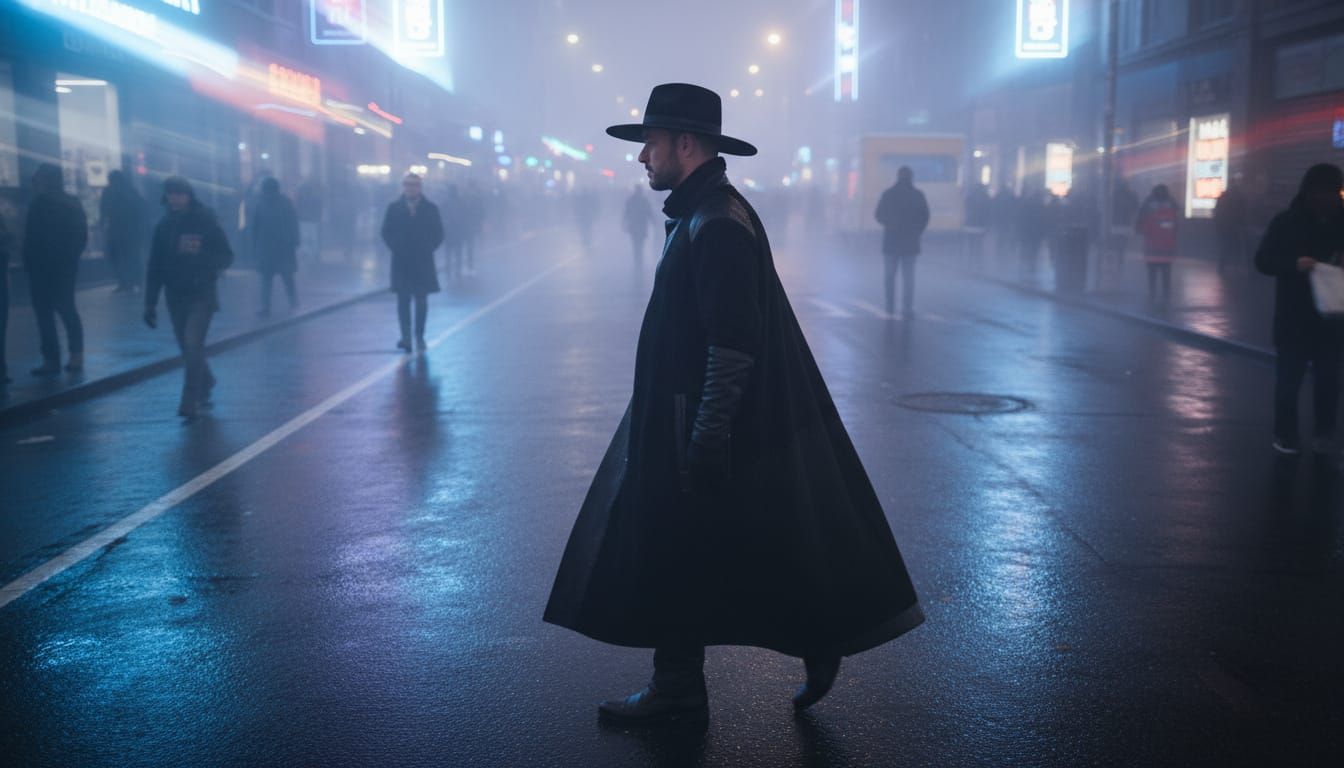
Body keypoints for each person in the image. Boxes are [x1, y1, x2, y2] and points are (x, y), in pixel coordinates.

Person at [544, 83, 923, 726]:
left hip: (696, 420)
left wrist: (707, 433)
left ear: (685, 146)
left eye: (651, 144)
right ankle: (682, 683)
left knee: (729, 543)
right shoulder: (700, 213)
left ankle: (795, 643)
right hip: (683, 416)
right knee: (693, 550)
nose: (642, 158)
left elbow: (734, 342)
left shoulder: (716, 223)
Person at [1254, 163, 1344, 455]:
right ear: (1310, 191)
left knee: (1328, 380)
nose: (1331, 198)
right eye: (1326, 192)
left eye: (1336, 191)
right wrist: (1294, 265)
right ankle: (1286, 433)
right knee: (1289, 380)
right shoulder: (1286, 223)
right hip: (1294, 318)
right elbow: (1263, 260)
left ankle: (1325, 433)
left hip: (1330, 318)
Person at [144, 177, 234, 420]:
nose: (175, 198)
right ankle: (206, 380)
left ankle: (190, 398)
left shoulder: (205, 221)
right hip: (175, 295)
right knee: (186, 347)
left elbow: (225, 255)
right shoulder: (163, 226)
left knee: (193, 344)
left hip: (201, 294)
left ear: (189, 195)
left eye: (180, 193)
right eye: (171, 193)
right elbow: (155, 266)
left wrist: (202, 264)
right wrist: (150, 302)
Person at [23, 163, 87, 376]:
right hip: (63, 268)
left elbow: (31, 239)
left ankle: (52, 360)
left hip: (43, 269)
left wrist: (29, 263)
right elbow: (80, 238)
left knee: (46, 314)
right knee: (66, 309)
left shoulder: (38, 204)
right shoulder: (71, 203)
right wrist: (70, 259)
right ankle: (75, 356)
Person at [380, 173, 443, 352]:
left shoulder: (430, 209)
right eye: (408, 185)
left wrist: (428, 247)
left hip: (422, 261)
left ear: (420, 187)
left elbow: (439, 233)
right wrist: (396, 246)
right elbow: (385, 231)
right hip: (402, 261)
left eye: (414, 185)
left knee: (421, 301)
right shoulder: (394, 208)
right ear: (404, 187)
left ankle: (419, 335)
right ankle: (406, 336)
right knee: (403, 301)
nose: (411, 188)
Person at [874, 166, 930, 317]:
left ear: (897, 177)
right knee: (909, 277)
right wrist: (917, 231)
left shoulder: (888, 194)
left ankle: (890, 306)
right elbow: (925, 217)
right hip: (911, 243)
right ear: (911, 177)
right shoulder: (918, 195)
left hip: (891, 242)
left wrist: (890, 224)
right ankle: (907, 307)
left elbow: (878, 215)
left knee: (889, 277)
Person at [249, 177, 300, 317]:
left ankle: (265, 307)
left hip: (266, 249)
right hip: (284, 248)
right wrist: (295, 242)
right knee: (287, 278)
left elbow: (254, 228)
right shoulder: (286, 203)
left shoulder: (259, 204)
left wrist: (254, 246)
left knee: (266, 280)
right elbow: (294, 224)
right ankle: (293, 303)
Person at [99, 170, 147, 294]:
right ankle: (130, 282)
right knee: (125, 257)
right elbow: (103, 209)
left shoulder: (124, 191)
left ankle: (129, 282)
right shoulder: (128, 191)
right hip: (125, 230)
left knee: (124, 257)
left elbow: (103, 209)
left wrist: (102, 222)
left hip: (123, 230)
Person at [1135, 184, 1180, 304]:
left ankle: (1152, 293)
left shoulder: (1148, 204)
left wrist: (1139, 230)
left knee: (1152, 271)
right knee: (1166, 271)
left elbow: (1140, 221)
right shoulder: (1172, 204)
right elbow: (1176, 224)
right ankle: (1166, 294)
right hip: (1167, 246)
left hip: (1152, 245)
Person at [1214, 183, 1248, 274]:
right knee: (1235, 246)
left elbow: (1217, 211)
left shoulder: (1223, 196)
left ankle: (1222, 266)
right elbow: (1242, 211)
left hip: (1224, 225)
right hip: (1234, 225)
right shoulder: (1239, 197)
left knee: (1225, 246)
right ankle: (1236, 266)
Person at [622, 183, 656, 261]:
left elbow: (626, 212)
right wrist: (653, 221)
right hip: (641, 225)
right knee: (640, 244)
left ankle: (637, 257)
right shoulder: (644, 200)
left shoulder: (631, 200)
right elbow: (649, 212)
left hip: (634, 225)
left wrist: (624, 222)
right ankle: (639, 258)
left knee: (636, 244)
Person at [440, 185, 466, 282]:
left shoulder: (445, 203)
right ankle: (457, 271)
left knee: (448, 253)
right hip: (457, 231)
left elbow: (441, 216)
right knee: (457, 253)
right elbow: (464, 217)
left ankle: (448, 271)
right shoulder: (460, 202)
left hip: (449, 231)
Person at [963, 182, 991, 263]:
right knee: (979, 243)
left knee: (971, 243)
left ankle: (971, 258)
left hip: (970, 223)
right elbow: (988, 211)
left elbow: (966, 207)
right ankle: (977, 258)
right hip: (981, 224)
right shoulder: (985, 197)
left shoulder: (970, 196)